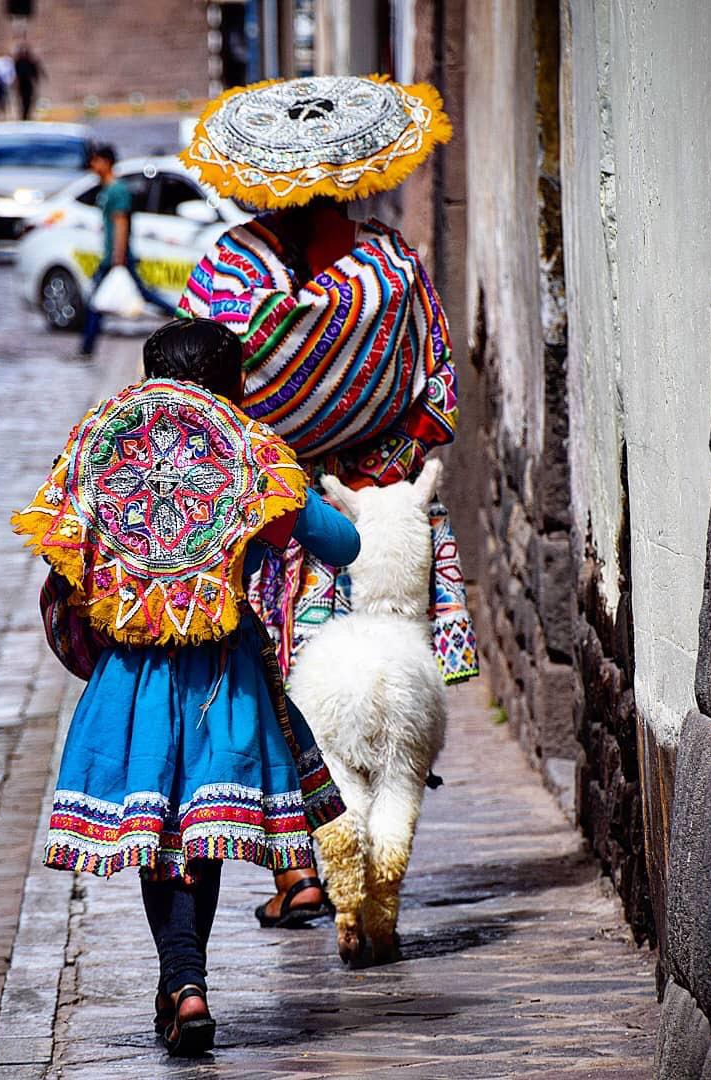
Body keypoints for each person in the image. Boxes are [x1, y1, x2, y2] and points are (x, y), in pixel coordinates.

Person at [176, 74, 479, 925]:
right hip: (378, 512)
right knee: (384, 678)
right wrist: (383, 459)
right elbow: (437, 390)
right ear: (352, 166)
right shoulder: (391, 265)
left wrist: (283, 454)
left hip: (278, 521)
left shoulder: (230, 269)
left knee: (281, 686)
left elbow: (201, 394)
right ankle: (373, 850)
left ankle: (299, 870)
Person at [12, 318, 361, 1055]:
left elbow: (61, 567)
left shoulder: (102, 449)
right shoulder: (247, 456)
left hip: (130, 685)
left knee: (164, 839)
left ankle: (184, 982)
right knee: (195, 836)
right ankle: (186, 981)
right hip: (221, 685)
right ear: (235, 386)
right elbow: (341, 543)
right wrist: (277, 480)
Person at [79, 145, 176, 357]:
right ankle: (86, 346)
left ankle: (180, 316)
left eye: (96, 161)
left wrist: (118, 257)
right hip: (112, 256)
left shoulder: (118, 190)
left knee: (112, 299)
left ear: (106, 162)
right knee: (100, 300)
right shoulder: (106, 190)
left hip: (118, 256)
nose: (93, 166)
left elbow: (121, 223)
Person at [13, 43, 44, 120]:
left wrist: (35, 80)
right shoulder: (18, 62)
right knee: (22, 100)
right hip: (21, 84)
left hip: (28, 84)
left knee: (28, 100)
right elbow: (14, 73)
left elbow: (36, 72)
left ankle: (26, 114)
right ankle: (24, 115)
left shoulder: (31, 62)